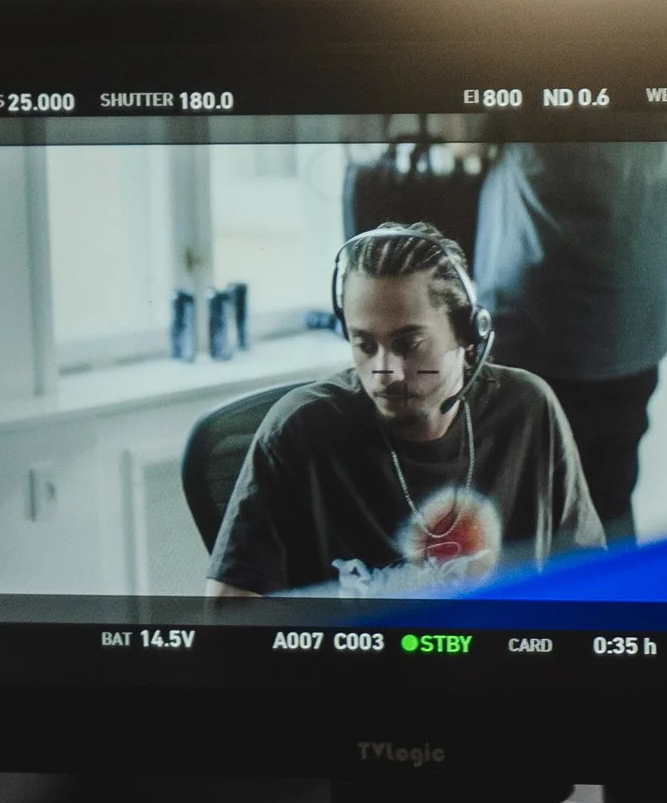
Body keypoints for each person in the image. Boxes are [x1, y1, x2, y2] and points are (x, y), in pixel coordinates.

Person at [204, 223, 601, 599]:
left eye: (408, 344)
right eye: (364, 344)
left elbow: (590, 580)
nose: (385, 372)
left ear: (468, 333)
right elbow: (231, 606)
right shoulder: (298, 431)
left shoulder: (527, 409)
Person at [470, 142, 667, 541]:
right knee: (610, 506)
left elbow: (462, 139)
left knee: (526, 521)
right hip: (631, 332)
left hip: (539, 338)